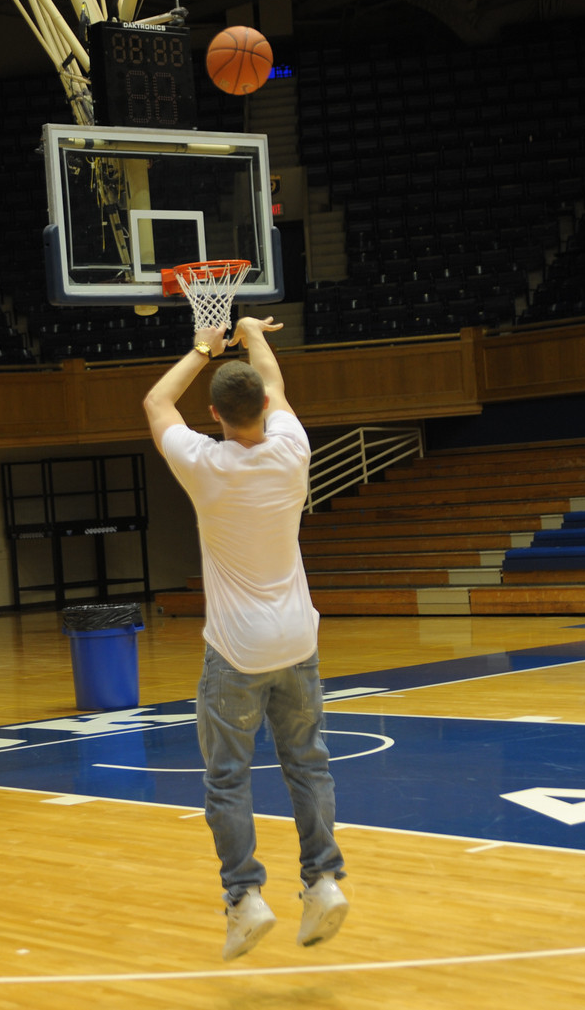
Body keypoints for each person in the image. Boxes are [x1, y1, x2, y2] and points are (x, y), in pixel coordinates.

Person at [143, 315, 348, 961]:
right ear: (264, 404)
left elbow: (155, 402)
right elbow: (277, 383)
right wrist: (251, 332)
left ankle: (243, 897)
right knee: (307, 763)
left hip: (237, 650)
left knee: (227, 779)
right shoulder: (294, 447)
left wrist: (203, 347)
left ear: (214, 413)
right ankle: (322, 880)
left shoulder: (204, 463)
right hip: (298, 639)